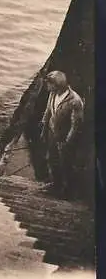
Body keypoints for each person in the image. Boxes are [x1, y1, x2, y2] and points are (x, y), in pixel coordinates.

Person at [40, 70, 84, 198]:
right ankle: (56, 185)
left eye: (49, 84)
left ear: (57, 84)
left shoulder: (75, 100)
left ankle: (68, 191)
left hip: (65, 137)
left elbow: (76, 125)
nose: (47, 87)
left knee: (66, 162)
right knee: (52, 159)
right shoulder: (53, 94)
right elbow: (48, 111)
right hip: (52, 133)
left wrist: (67, 142)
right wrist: (44, 128)